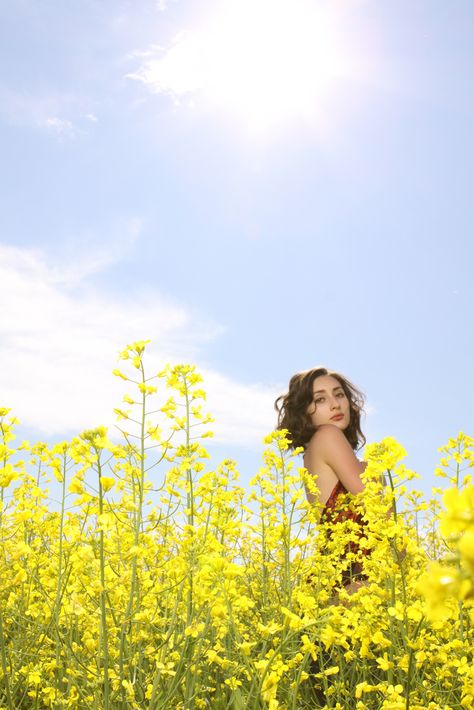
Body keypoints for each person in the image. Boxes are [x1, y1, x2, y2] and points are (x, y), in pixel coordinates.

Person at [274, 367, 380, 602]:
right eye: (320, 399)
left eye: (339, 394)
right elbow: (372, 502)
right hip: (357, 576)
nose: (335, 404)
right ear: (305, 411)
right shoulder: (328, 435)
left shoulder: (312, 451)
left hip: (334, 578)